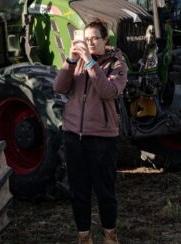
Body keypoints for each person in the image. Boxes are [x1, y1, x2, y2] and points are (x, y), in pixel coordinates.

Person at [54, 20, 128, 244]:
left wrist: (89, 62)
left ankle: (109, 236)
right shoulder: (76, 63)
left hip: (102, 138)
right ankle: (84, 237)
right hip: (74, 135)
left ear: (105, 39)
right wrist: (70, 61)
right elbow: (59, 87)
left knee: (104, 190)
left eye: (95, 38)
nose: (90, 42)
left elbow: (108, 91)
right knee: (79, 191)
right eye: (86, 39)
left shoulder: (117, 64)